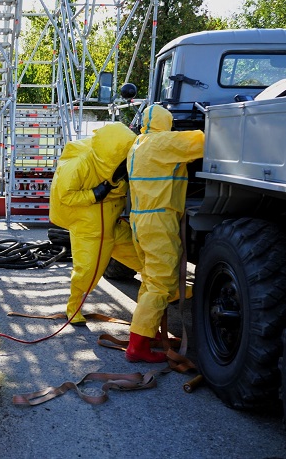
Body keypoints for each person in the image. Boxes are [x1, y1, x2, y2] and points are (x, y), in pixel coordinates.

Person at [125, 104, 205, 363]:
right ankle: (137, 347)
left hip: (140, 220)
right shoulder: (163, 142)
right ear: (166, 122)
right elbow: (204, 142)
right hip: (159, 222)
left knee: (150, 281)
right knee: (161, 284)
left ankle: (143, 337)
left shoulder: (137, 145)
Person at [50, 122, 142, 325]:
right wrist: (94, 194)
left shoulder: (117, 162)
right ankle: (73, 309)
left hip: (112, 224)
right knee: (86, 272)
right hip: (88, 227)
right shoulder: (79, 164)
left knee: (145, 257)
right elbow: (64, 195)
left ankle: (173, 291)